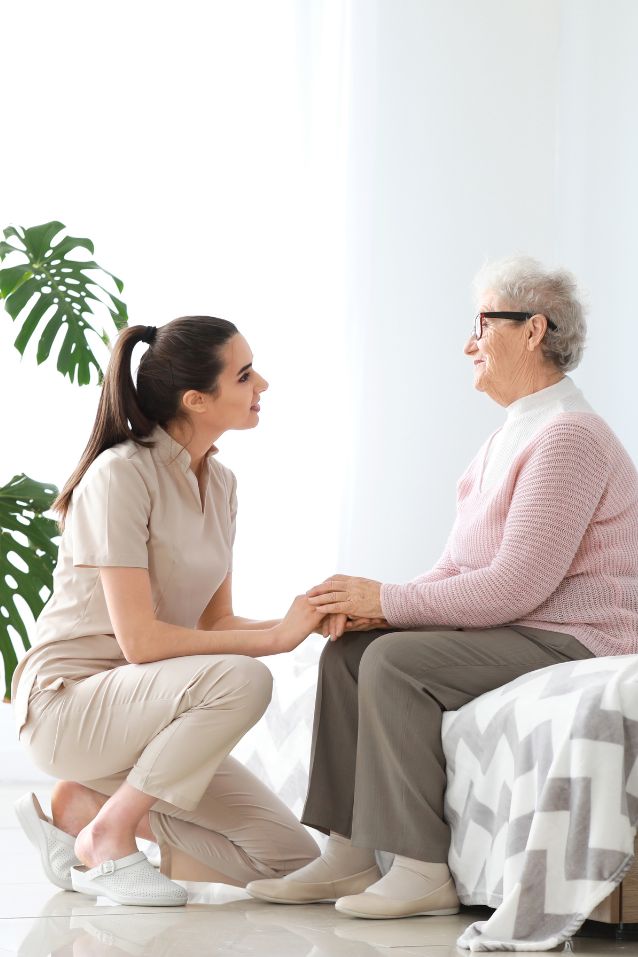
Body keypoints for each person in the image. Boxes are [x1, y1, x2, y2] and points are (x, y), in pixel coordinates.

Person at [246, 256, 638, 920]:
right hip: (522, 626)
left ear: (533, 329)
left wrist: (389, 605)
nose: (468, 343)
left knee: (398, 664)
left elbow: (516, 586)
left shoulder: (569, 437)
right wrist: (374, 608)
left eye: (483, 324)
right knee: (350, 653)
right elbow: (459, 569)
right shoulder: (508, 438)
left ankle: (424, 869)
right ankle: (349, 853)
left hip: (576, 636)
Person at [12, 317, 323, 907]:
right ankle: (110, 833)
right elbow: (142, 644)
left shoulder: (222, 484)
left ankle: (83, 811)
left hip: (145, 713)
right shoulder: (120, 475)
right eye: (246, 374)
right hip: (69, 705)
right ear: (196, 399)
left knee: (291, 864)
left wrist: (304, 617)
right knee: (244, 677)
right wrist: (274, 641)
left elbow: (215, 625)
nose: (264, 384)